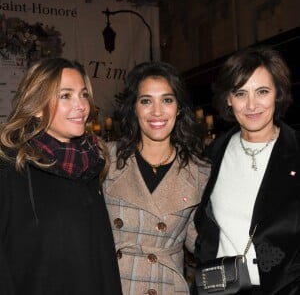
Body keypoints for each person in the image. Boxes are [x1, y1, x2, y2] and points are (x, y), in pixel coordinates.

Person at [0, 58, 122, 295]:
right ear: (36, 106)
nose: (81, 106)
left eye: (84, 94)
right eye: (66, 95)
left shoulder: (92, 163)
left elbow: (102, 259)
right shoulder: (11, 167)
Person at [192, 46, 300, 294]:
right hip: (219, 290)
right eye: (241, 93)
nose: (252, 105)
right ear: (229, 99)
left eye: (262, 91)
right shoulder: (211, 156)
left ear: (277, 94)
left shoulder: (296, 152)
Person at [103, 61, 210, 295]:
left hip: (167, 287)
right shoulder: (106, 160)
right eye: (146, 101)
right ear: (134, 108)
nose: (157, 111)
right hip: (113, 283)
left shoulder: (199, 172)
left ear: (179, 108)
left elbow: (203, 242)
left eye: (167, 100)